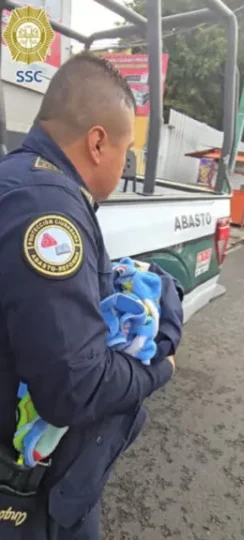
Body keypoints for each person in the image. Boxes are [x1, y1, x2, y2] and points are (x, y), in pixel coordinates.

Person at [0, 52, 179, 539]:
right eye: (127, 151)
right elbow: (74, 388)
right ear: (98, 142)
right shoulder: (49, 211)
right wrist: (160, 369)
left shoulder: (19, 178)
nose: (125, 165)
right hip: (27, 498)